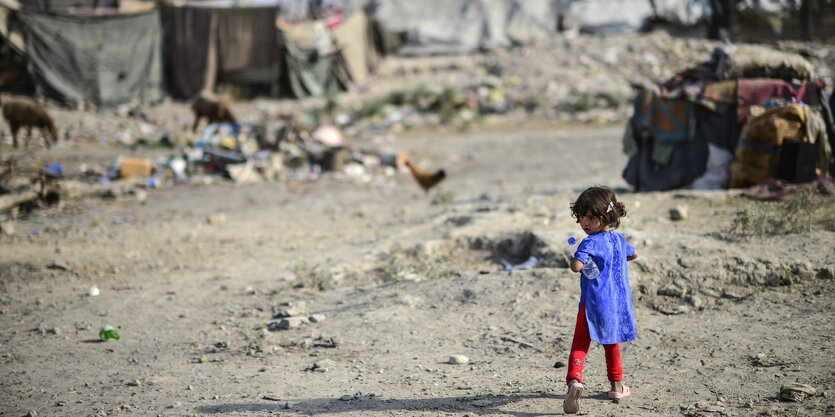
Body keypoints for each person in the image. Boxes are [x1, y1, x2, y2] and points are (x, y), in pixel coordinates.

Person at [563, 186, 638, 414]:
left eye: (591, 217)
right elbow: (633, 254)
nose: (584, 223)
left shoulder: (588, 243)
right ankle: (616, 386)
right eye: (581, 217)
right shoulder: (618, 239)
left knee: (579, 344)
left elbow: (576, 267)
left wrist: (575, 257)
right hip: (614, 305)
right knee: (611, 343)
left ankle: (574, 381)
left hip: (591, 305)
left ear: (605, 217)